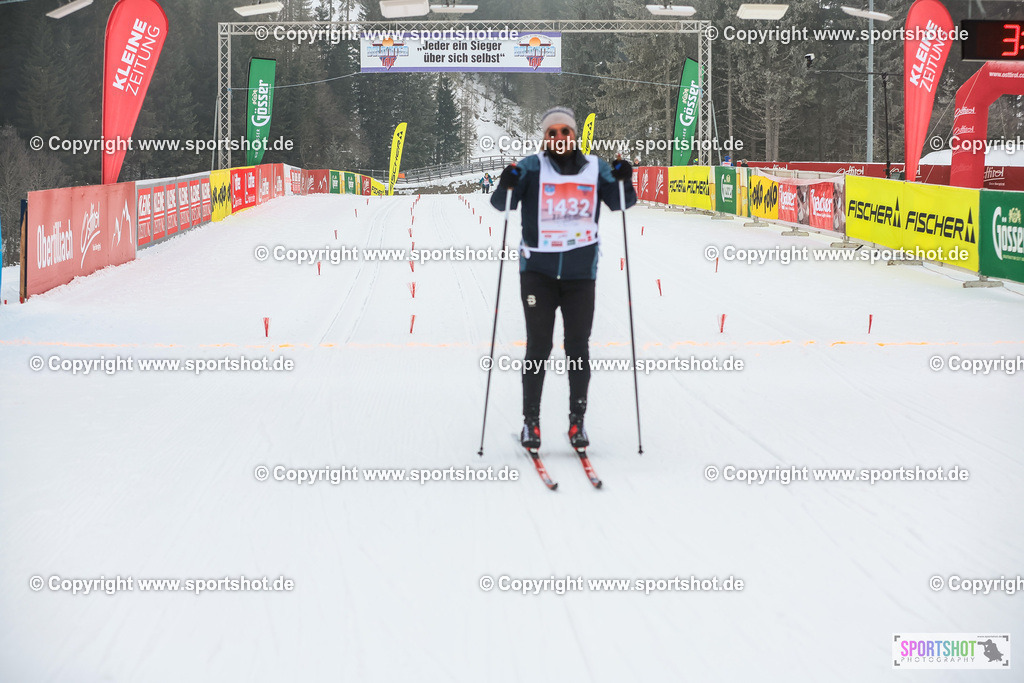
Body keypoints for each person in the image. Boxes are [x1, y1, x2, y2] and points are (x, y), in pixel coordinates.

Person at [491, 106, 637, 451]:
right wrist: (505, 182)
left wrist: (624, 177)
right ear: (545, 137)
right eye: (552, 132)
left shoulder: (594, 168)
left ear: (575, 136)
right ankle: (531, 424)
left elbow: (622, 202)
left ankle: (577, 424)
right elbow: (501, 204)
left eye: (565, 132)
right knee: (538, 347)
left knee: (577, 349)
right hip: (537, 274)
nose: (559, 138)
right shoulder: (530, 167)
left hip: (580, 276)